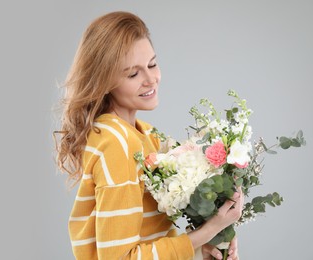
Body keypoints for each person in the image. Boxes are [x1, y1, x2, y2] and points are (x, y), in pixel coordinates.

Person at [53, 11, 243, 260]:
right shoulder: (117, 144)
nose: (151, 79)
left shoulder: (146, 136)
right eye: (133, 74)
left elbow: (150, 236)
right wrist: (208, 231)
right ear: (104, 81)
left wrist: (201, 247)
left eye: (152, 64)